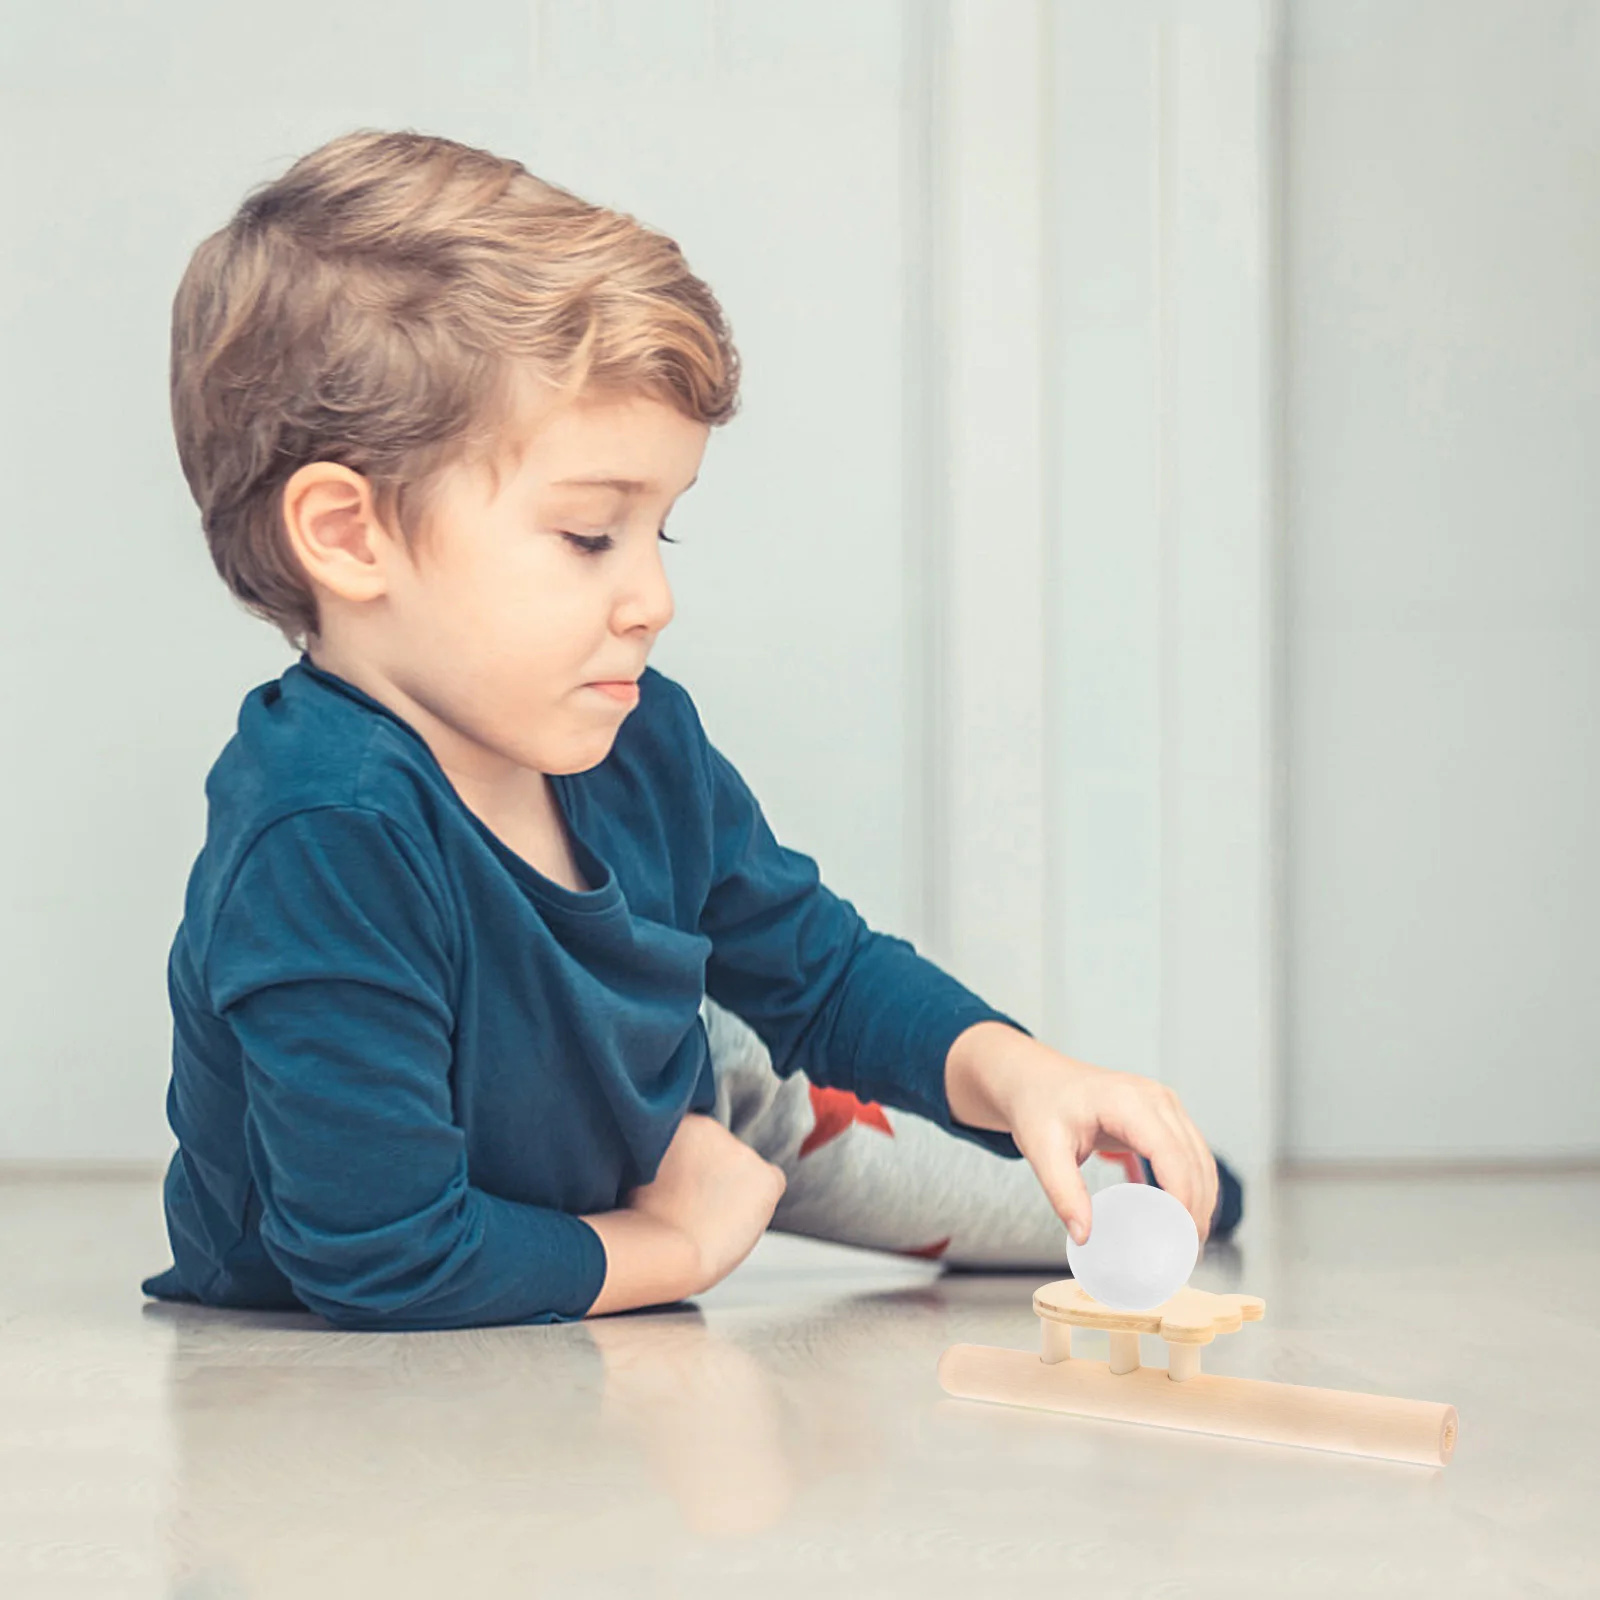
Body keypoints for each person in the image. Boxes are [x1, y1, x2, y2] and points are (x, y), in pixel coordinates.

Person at [140, 128, 1242, 1332]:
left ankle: (1166, 1177)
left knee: (1089, 1200)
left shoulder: (635, 732)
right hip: (622, 1154)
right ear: (351, 536)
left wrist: (1031, 1071)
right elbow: (383, 1257)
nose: (652, 600)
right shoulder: (325, 831)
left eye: (660, 532)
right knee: (742, 1128)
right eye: (587, 535)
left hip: (662, 1082)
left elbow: (819, 970)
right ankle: (757, 1115)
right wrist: (673, 1245)